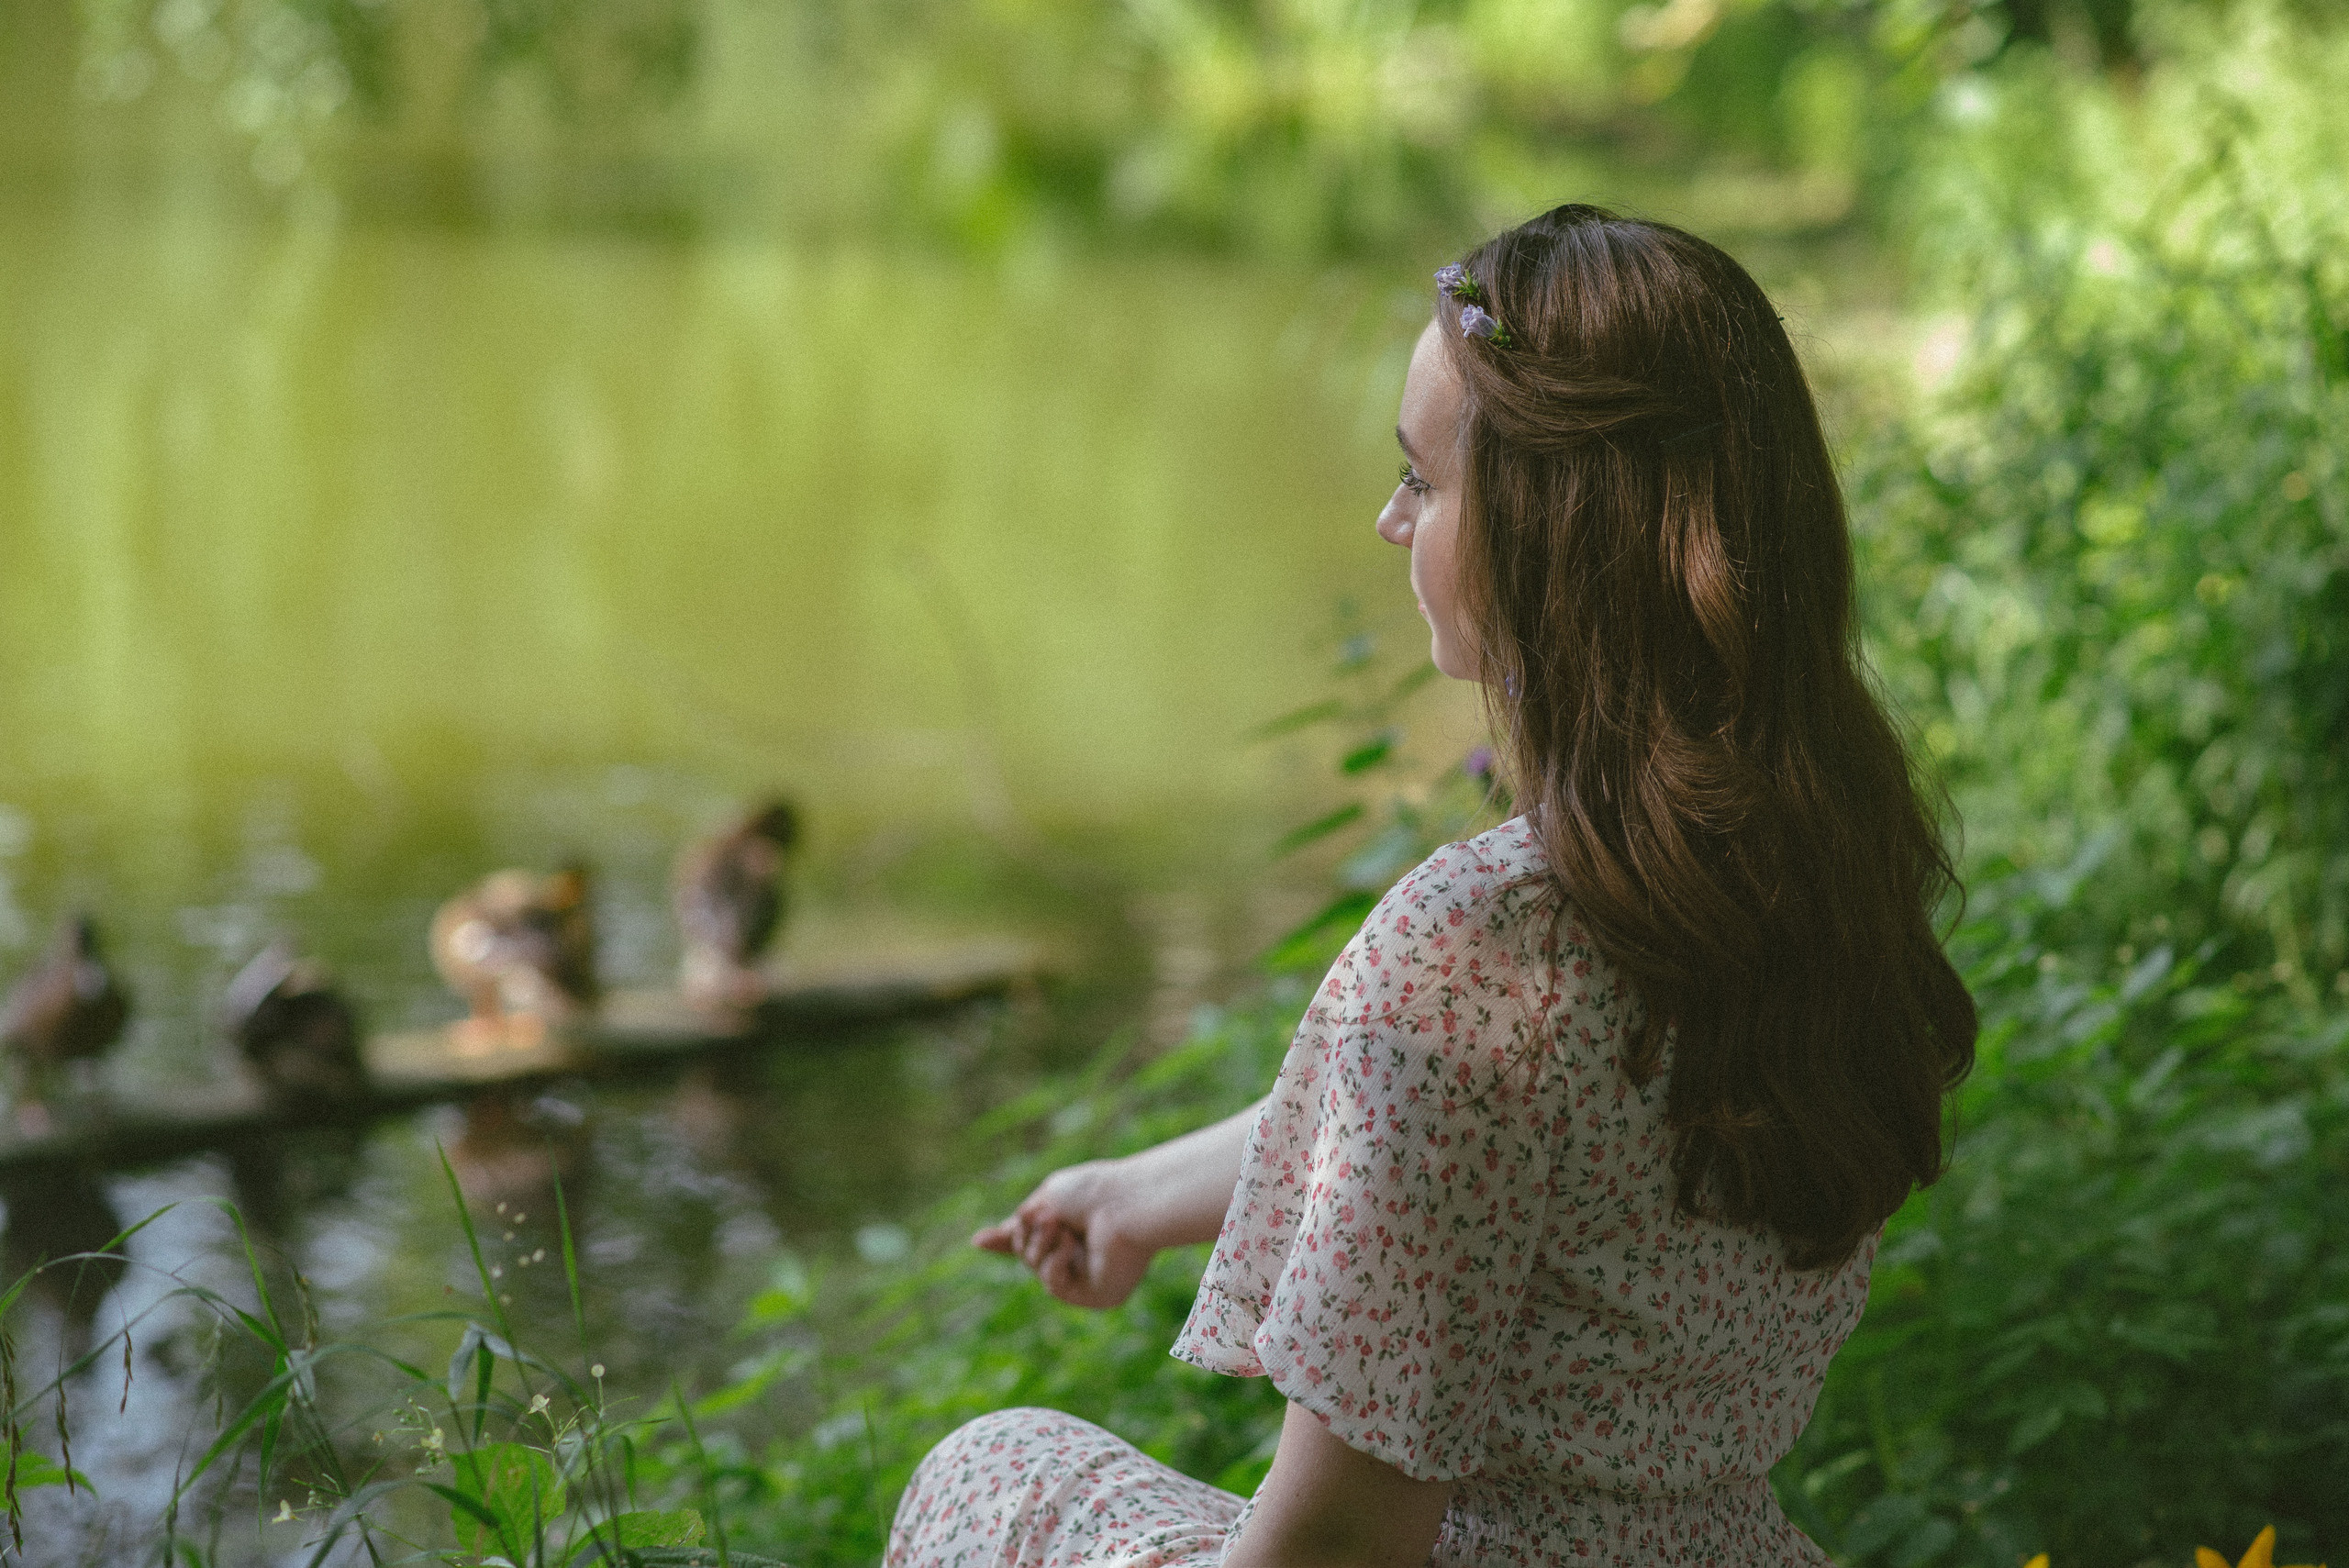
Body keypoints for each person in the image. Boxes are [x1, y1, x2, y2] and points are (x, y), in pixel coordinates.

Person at [885, 204, 1980, 1568]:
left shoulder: (1478, 946)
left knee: (1001, 1467)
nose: (1391, 517)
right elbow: (1467, 1132)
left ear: (1548, 523)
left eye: (1425, 478)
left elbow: (1337, 1548)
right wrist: (1135, 1193)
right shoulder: (1813, 875)